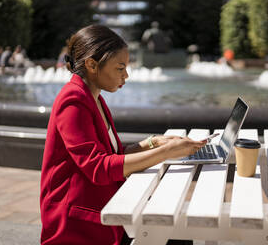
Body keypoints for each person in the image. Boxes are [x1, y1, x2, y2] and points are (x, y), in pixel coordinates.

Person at [40, 24, 206, 245]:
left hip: (102, 210)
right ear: (91, 64)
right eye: (120, 68)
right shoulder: (73, 101)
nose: (126, 75)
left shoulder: (93, 97)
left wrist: (153, 143)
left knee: (176, 232)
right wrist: (166, 152)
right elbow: (98, 168)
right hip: (77, 225)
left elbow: (114, 154)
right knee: (174, 235)